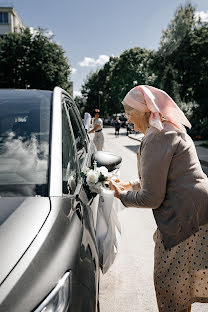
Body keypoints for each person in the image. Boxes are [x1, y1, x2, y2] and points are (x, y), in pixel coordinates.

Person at [109, 85, 208, 312]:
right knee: (185, 281)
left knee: (171, 288)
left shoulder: (157, 136)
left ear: (144, 111)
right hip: (197, 210)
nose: (128, 121)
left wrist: (121, 195)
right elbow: (166, 178)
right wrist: (130, 184)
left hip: (185, 215)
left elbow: (151, 197)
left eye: (129, 114)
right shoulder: (167, 128)